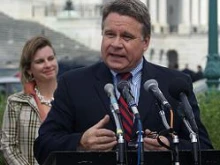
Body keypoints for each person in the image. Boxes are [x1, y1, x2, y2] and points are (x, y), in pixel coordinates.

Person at [34, 0, 213, 164]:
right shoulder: (72, 84)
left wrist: (171, 145)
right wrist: (80, 142)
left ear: (146, 42)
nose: (116, 44)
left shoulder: (174, 84)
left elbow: (204, 148)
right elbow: (43, 145)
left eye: (126, 37)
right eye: (110, 34)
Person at [1, 35, 58, 165]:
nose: (48, 64)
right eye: (40, 61)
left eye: (51, 58)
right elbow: (7, 146)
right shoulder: (15, 102)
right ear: (29, 70)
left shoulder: (70, 98)